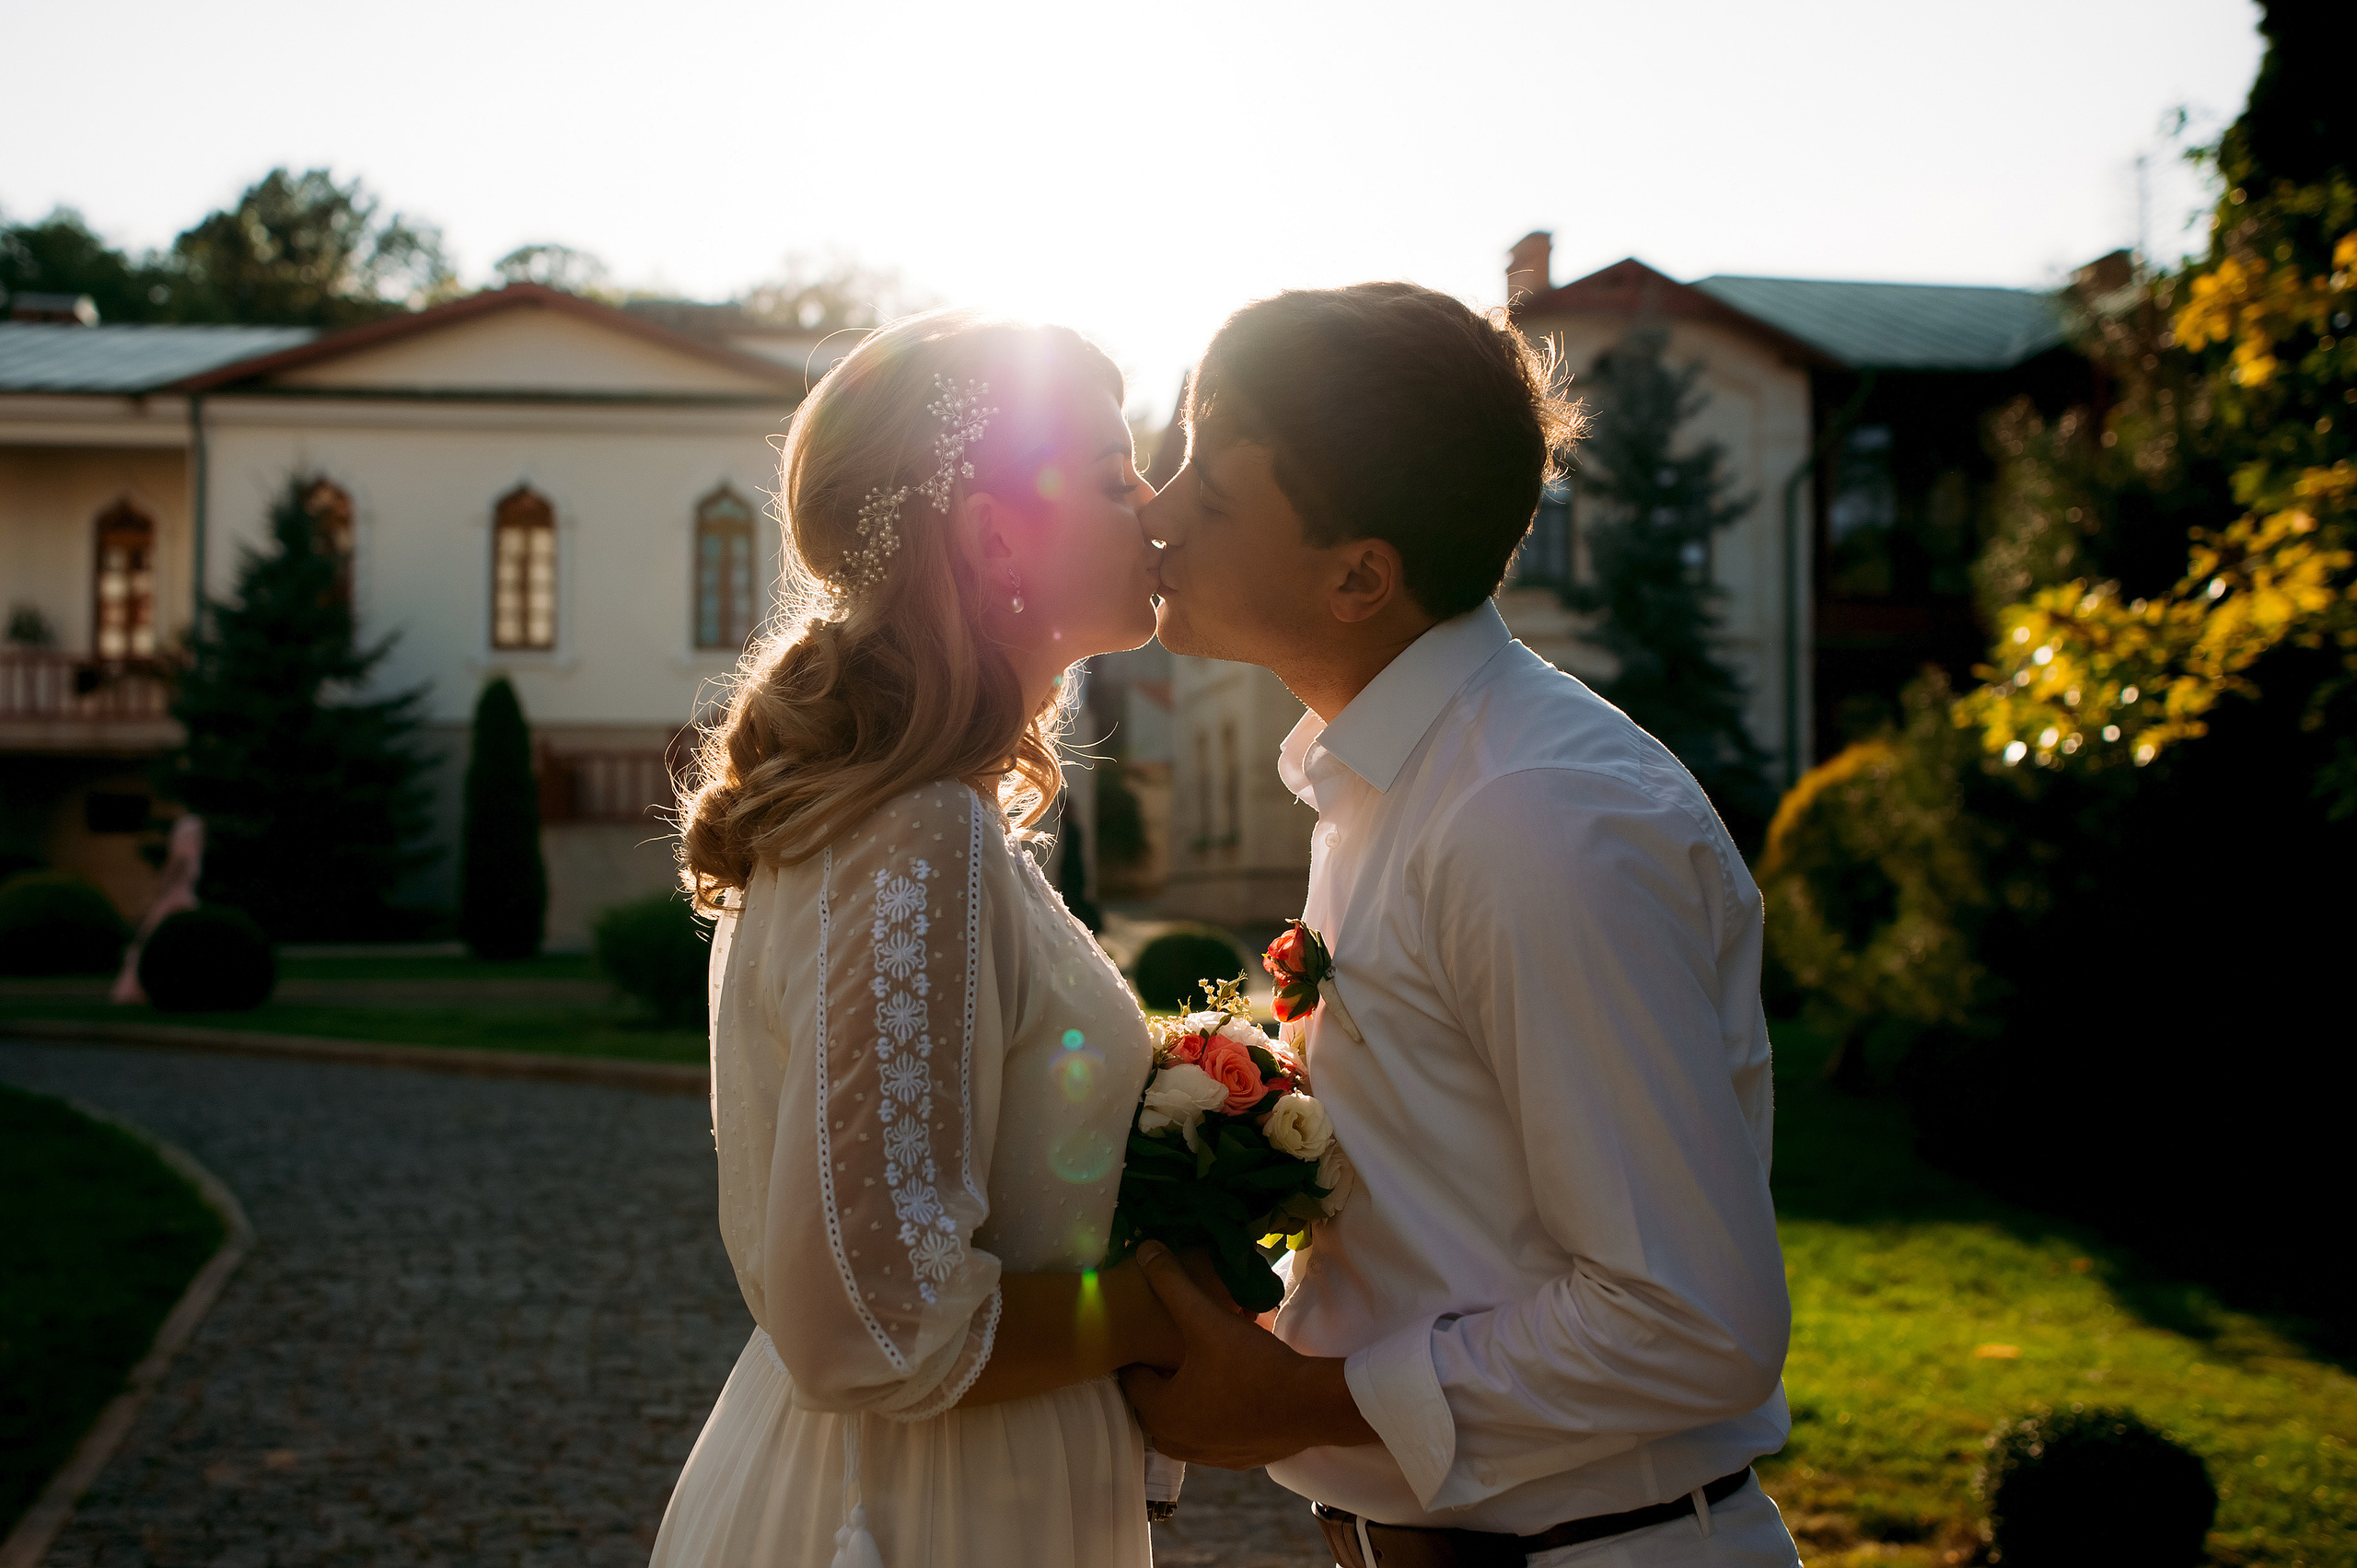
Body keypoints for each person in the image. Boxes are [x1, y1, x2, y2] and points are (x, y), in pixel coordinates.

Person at [1122, 283, 1805, 1566]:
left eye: (1209, 495)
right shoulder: (1389, 778)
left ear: (1358, 577)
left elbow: (1692, 1318)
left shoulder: (1531, 819)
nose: (1154, 514)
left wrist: (1303, 1402)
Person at [651, 313, 1185, 1568]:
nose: (1157, 506)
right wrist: (1148, 1309)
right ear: (996, 535)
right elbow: (872, 1319)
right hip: (927, 1505)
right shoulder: (915, 829)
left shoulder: (921, 813)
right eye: (1114, 478)